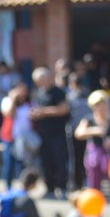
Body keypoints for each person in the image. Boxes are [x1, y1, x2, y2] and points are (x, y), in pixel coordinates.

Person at [30, 66, 70, 199]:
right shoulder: (38, 93)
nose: (39, 83)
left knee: (60, 161)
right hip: (43, 134)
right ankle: (50, 188)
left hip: (57, 134)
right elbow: (35, 108)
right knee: (46, 163)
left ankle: (62, 188)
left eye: (41, 79)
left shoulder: (58, 92)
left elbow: (64, 109)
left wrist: (44, 112)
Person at [0, 81, 32, 189]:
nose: (23, 93)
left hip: (24, 138)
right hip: (10, 137)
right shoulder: (7, 101)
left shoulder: (30, 103)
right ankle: (8, 187)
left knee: (22, 163)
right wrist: (13, 99)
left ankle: (22, 187)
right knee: (9, 163)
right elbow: (9, 114)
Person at [66, 73, 91, 192]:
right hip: (87, 130)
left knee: (74, 158)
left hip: (74, 130)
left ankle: (75, 183)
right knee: (85, 157)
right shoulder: (89, 96)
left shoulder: (70, 97)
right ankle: (85, 180)